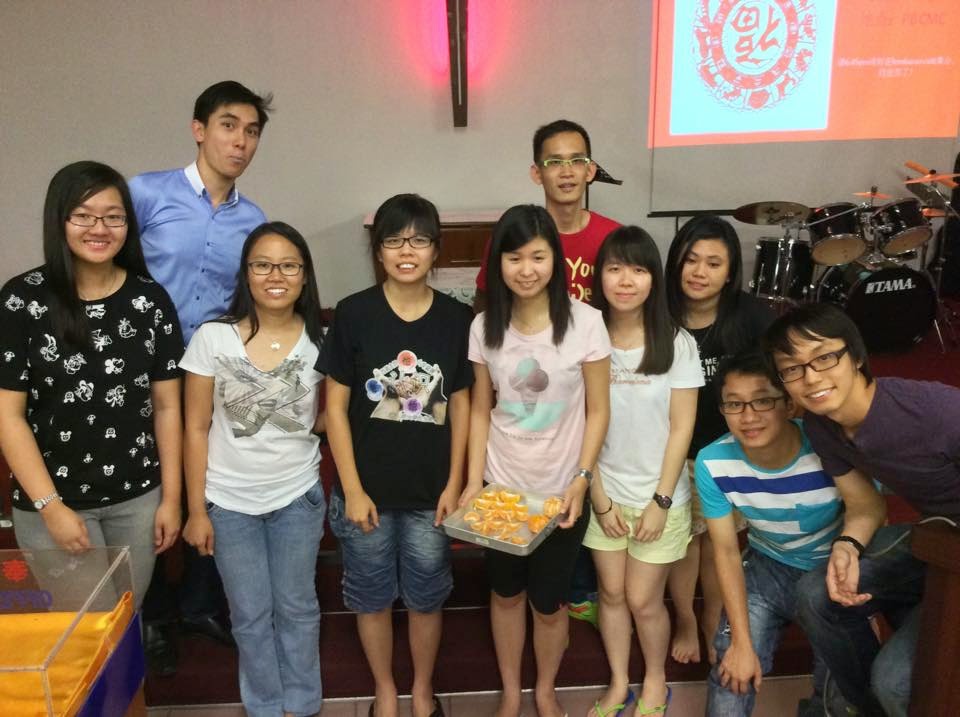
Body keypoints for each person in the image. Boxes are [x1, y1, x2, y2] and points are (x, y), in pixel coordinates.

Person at [130, 79, 274, 672]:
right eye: (228, 125)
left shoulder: (254, 219)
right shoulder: (146, 194)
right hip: (140, 368)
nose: (240, 141)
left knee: (209, 483)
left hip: (210, 373)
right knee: (148, 489)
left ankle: (199, 603)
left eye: (252, 131)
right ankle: (152, 614)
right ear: (199, 129)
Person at [0, 161, 184, 608]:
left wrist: (171, 498)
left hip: (139, 498)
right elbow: (8, 417)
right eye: (83, 216)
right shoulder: (22, 300)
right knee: (89, 632)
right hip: (55, 502)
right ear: (59, 220)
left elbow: (167, 407)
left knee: (125, 623)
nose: (99, 228)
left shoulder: (150, 300)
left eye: (113, 217)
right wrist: (51, 508)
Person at [766, 303, 960, 717]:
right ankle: (868, 708)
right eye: (792, 369)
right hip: (935, 538)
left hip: (951, 552)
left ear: (855, 356)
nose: (811, 378)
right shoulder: (821, 424)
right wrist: (848, 545)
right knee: (817, 594)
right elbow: (864, 502)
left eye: (823, 358)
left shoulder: (936, 412)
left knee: (896, 681)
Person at [320, 194, 473, 717]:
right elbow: (335, 409)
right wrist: (352, 489)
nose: (407, 251)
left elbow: (463, 406)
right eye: (394, 240)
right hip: (366, 493)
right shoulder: (353, 313)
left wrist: (455, 484)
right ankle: (385, 689)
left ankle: (422, 689)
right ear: (378, 250)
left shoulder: (457, 318)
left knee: (427, 596)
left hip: (432, 494)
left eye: (419, 240)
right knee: (370, 596)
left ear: (436, 250)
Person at [465, 204, 611, 717]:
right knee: (506, 595)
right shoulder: (484, 326)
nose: (526, 269)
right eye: (514, 258)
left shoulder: (586, 323)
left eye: (537, 256)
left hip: (561, 491)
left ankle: (545, 689)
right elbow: (480, 410)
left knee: (550, 602)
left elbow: (599, 410)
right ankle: (511, 691)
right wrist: (472, 482)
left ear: (555, 260)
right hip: (503, 485)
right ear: (498, 264)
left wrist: (582, 479)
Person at [181, 222, 326, 717]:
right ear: (246, 273)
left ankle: (302, 704)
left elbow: (327, 417)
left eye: (288, 265)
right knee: (248, 615)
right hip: (228, 502)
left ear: (304, 275)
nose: (275, 276)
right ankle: (264, 705)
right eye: (262, 265)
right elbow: (195, 427)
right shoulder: (213, 337)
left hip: (297, 496)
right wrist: (196, 510)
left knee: (298, 608)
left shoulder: (321, 341)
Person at [585, 226, 701, 717]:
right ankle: (619, 682)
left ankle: (655, 677)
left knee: (642, 600)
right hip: (605, 492)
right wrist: (598, 498)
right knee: (610, 594)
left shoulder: (677, 342)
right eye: (615, 268)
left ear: (654, 278)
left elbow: (682, 428)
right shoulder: (587, 340)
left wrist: (661, 501)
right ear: (599, 277)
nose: (626, 280)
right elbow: (580, 425)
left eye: (638, 269)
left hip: (660, 497)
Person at [695, 350, 845, 716]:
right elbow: (726, 552)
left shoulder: (828, 446)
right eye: (734, 404)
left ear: (789, 404)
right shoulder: (713, 461)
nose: (748, 417)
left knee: (841, 686)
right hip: (767, 567)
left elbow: (871, 513)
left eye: (762, 401)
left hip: (833, 570)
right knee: (731, 670)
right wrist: (741, 642)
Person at [663, 215, 775, 664]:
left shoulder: (752, 317)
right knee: (685, 543)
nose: (699, 272)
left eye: (713, 263)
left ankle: (712, 616)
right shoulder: (659, 314)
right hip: (675, 451)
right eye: (690, 260)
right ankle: (685, 620)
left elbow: (771, 384)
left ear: (730, 273)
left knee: (717, 541)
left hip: (730, 452)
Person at [474, 119, 620, 309]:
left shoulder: (614, 237)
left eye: (577, 161)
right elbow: (485, 303)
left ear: (590, 171)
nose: (567, 172)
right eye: (555, 162)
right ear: (537, 174)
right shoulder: (513, 235)